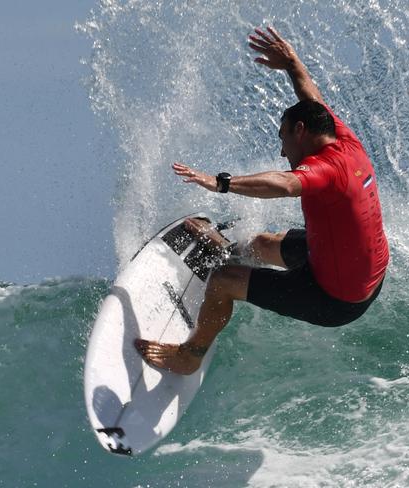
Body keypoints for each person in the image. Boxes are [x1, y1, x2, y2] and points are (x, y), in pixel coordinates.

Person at [135, 27, 389, 375]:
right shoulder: (343, 140)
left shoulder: (326, 169)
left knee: (223, 281)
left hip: (337, 298)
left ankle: (189, 356)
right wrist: (292, 64)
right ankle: (224, 250)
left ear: (300, 131)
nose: (282, 150)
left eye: (283, 137)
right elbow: (312, 98)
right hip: (357, 267)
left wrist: (221, 183)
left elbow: (283, 184)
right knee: (261, 243)